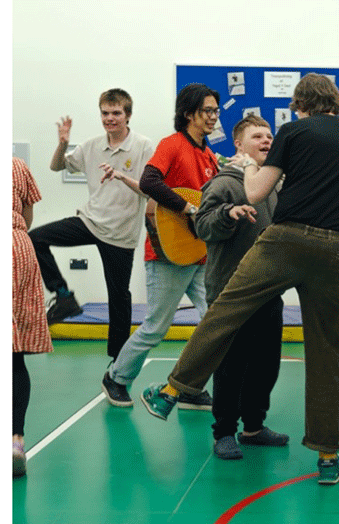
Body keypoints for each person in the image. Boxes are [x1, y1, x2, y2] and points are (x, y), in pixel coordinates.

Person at [140, 73, 339, 486]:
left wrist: (247, 169)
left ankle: (172, 391)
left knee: (225, 312)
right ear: (335, 102)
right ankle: (328, 455)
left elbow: (258, 192)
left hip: (287, 240)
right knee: (328, 354)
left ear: (299, 105)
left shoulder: (294, 130)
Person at [102, 83, 221, 410]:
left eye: (215, 111)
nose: (213, 117)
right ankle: (117, 377)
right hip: (168, 253)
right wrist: (187, 209)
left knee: (214, 322)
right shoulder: (172, 145)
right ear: (188, 114)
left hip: (199, 253)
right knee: (156, 327)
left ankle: (190, 386)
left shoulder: (209, 155)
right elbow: (150, 182)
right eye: (207, 111)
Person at [29, 88, 154, 359]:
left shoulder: (143, 146)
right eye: (105, 113)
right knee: (33, 238)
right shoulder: (92, 146)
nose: (110, 118)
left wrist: (121, 176)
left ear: (127, 115)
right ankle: (63, 296)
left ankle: (117, 362)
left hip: (121, 233)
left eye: (116, 113)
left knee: (118, 296)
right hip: (89, 219)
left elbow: (149, 190)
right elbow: (56, 167)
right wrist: (63, 143)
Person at [194, 115, 289, 459]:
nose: (266, 141)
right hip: (230, 291)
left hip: (268, 290)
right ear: (238, 144)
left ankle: (254, 426)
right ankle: (224, 432)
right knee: (232, 365)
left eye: (269, 136)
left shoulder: (272, 186)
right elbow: (202, 227)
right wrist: (227, 214)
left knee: (266, 364)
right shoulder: (224, 183)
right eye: (257, 136)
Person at [13, 157, 55, 478]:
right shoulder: (17, 165)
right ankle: (15, 441)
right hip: (19, 249)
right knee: (13, 355)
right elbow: (27, 217)